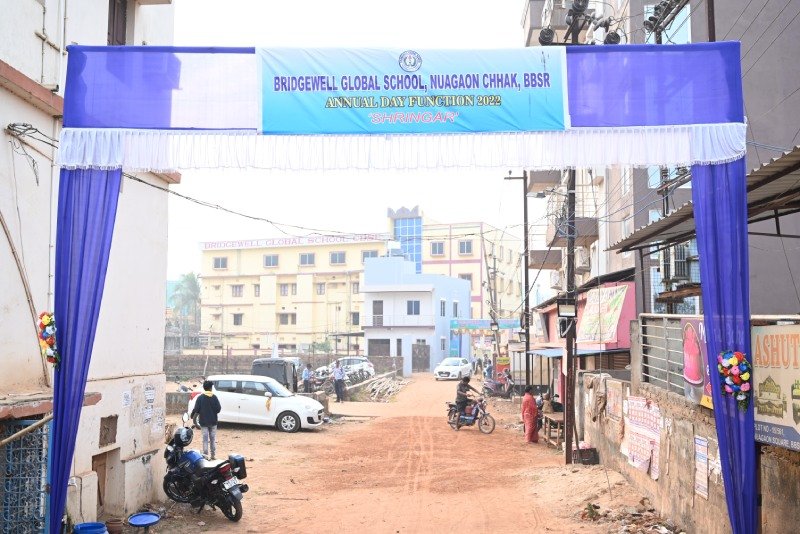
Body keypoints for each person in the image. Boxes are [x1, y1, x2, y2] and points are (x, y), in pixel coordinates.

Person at [190, 380, 222, 459]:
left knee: (205, 439)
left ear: (204, 388)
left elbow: (196, 409)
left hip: (203, 422)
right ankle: (213, 455)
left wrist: (192, 415)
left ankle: (206, 456)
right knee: (212, 439)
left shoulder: (200, 398)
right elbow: (218, 409)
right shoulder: (214, 397)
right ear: (211, 388)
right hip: (213, 422)